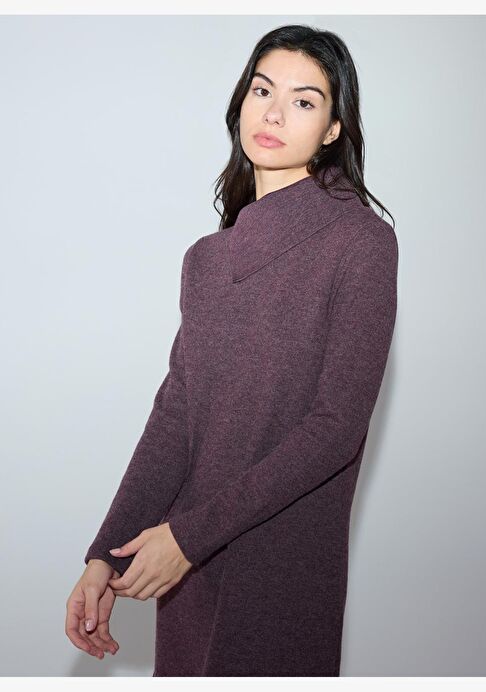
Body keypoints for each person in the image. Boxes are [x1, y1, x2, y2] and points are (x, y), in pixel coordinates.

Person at [66, 24, 398, 676]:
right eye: (262, 90)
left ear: (333, 129)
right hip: (187, 565)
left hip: (279, 560)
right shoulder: (207, 260)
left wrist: (188, 538)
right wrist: (105, 554)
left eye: (304, 101)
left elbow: (336, 428)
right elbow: (176, 415)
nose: (273, 113)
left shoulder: (360, 242)